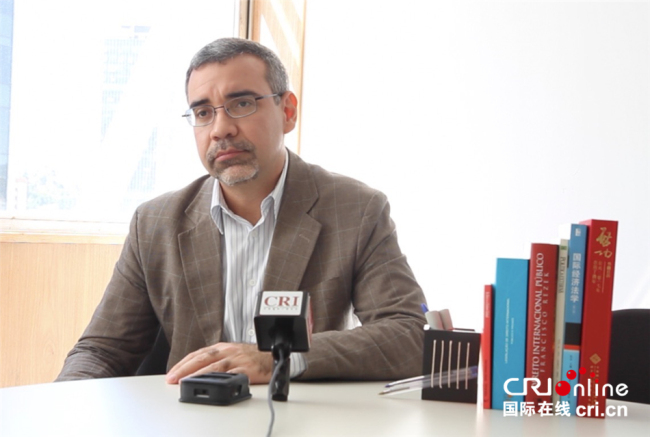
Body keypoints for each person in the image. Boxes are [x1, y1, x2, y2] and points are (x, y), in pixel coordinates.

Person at [57, 38, 426, 384]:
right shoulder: (154, 223)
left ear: (288, 111)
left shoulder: (355, 210)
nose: (221, 129)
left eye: (242, 104)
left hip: (302, 418)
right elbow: (102, 351)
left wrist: (279, 358)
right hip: (188, 418)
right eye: (203, 112)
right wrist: (59, 409)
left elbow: (409, 336)